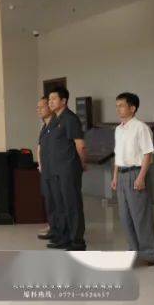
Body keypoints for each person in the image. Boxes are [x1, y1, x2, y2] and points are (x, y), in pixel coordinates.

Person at [111, 92, 154, 265]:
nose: (118, 109)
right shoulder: (118, 129)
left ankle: (149, 255)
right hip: (122, 175)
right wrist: (115, 176)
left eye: (121, 105)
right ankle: (133, 251)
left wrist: (141, 177)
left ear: (132, 108)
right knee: (125, 217)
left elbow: (148, 153)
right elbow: (118, 155)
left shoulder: (141, 128)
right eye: (117, 106)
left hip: (136, 173)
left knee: (141, 217)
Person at [44, 86, 87, 250]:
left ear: (64, 101)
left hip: (68, 169)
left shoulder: (70, 118)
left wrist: (82, 163)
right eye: (49, 99)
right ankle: (64, 237)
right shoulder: (54, 119)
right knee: (60, 205)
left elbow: (80, 145)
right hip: (55, 171)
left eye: (54, 99)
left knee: (72, 204)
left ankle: (77, 241)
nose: (50, 102)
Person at [35, 97, 55, 240]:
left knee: (56, 199)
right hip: (45, 169)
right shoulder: (44, 126)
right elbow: (40, 147)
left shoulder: (56, 124)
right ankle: (52, 225)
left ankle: (57, 227)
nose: (39, 110)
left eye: (42, 107)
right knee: (48, 198)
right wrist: (40, 164)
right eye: (38, 107)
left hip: (55, 170)